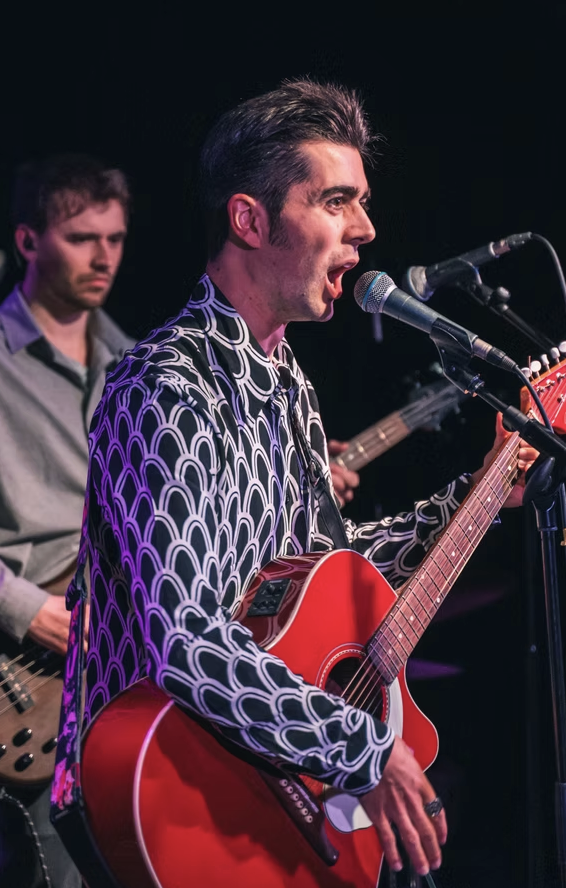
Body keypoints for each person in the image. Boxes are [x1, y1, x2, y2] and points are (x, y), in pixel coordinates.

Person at [78, 81, 534, 882]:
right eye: (335, 202)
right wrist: (364, 748)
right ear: (251, 219)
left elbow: (326, 578)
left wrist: (484, 494)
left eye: (359, 203)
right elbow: (186, 640)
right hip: (161, 785)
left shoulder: (286, 379)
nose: (365, 230)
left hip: (259, 778)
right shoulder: (167, 387)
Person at [0, 154, 133, 888]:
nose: (104, 256)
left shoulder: (135, 364)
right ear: (29, 241)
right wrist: (27, 609)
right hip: (25, 674)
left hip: (119, 668)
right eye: (84, 237)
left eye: (115, 238)